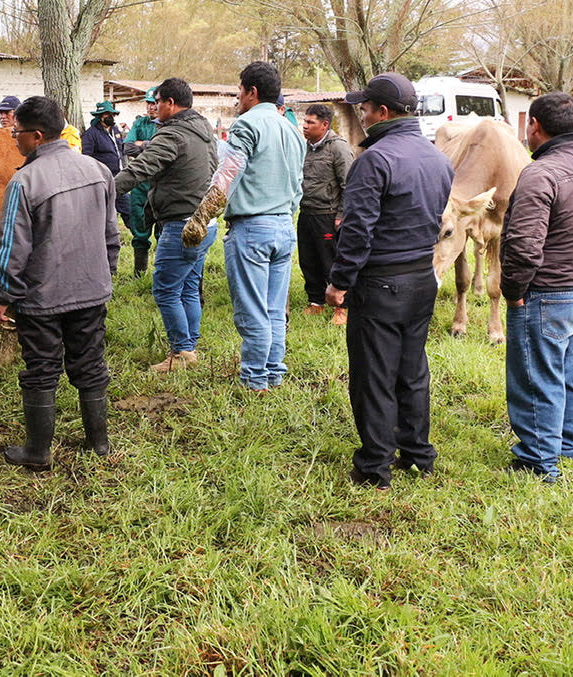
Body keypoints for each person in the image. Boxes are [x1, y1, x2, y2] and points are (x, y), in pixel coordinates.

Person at [325, 72, 453, 490]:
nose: (360, 115)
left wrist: (340, 282)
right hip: (422, 279)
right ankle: (418, 454)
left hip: (380, 283)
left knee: (373, 376)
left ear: (382, 112)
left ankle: (374, 467)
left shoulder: (374, 160)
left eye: (363, 108)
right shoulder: (437, 158)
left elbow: (358, 229)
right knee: (412, 371)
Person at [0, 96, 119, 470]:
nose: (14, 139)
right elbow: (111, 234)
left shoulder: (23, 181)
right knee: (90, 363)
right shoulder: (99, 171)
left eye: (16, 133)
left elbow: (14, 246)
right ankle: (99, 443)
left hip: (42, 298)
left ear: (34, 136)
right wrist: (103, 275)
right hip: (91, 292)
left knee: (42, 369)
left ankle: (37, 452)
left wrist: (4, 294)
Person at [501, 92, 573, 483]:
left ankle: (538, 461)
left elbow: (523, 245)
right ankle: (565, 444)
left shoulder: (541, 173)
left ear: (534, 125)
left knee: (535, 378)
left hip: (543, 293)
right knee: (566, 373)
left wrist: (513, 291)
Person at [183, 61, 304, 391]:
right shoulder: (293, 130)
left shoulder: (246, 125)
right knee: (275, 310)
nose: (238, 97)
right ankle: (274, 373)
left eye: (239, 91)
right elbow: (298, 184)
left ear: (252, 92)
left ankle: (254, 380)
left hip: (252, 229)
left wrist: (200, 218)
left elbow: (227, 176)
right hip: (284, 227)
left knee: (252, 311)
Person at [115, 78, 218, 373]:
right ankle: (189, 346)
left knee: (165, 290)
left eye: (157, 101)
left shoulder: (173, 134)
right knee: (186, 287)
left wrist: (103, 189)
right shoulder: (203, 130)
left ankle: (181, 351)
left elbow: (140, 167)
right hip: (204, 221)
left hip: (181, 224)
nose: (154, 107)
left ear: (170, 103)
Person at [297, 103, 355, 325]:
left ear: (325, 125)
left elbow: (349, 184)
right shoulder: (305, 147)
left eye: (310, 123)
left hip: (328, 215)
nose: (305, 126)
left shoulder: (337, 148)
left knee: (330, 260)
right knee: (308, 260)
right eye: (305, 121)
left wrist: (342, 214)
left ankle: (342, 307)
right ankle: (316, 302)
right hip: (307, 212)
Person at [122, 87, 160, 276]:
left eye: (154, 103)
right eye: (148, 103)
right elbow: (128, 147)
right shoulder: (139, 123)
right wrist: (150, 145)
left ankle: (162, 272)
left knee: (163, 231)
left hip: (161, 183)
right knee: (140, 229)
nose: (151, 107)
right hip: (139, 184)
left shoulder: (167, 125)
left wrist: (142, 145)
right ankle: (139, 273)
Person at [81, 101, 131, 229]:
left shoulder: (115, 130)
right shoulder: (91, 134)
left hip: (120, 178)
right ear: (100, 116)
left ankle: (138, 238)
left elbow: (121, 150)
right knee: (105, 215)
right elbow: (87, 158)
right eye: (106, 114)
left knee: (129, 210)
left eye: (112, 114)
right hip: (103, 181)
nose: (110, 117)